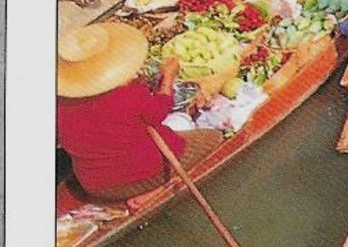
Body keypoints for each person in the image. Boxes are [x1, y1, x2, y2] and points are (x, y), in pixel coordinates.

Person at [56, 23, 225, 202]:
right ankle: (154, 192)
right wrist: (168, 77)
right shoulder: (127, 94)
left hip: (94, 185)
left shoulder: (60, 102)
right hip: (139, 175)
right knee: (213, 138)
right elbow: (159, 112)